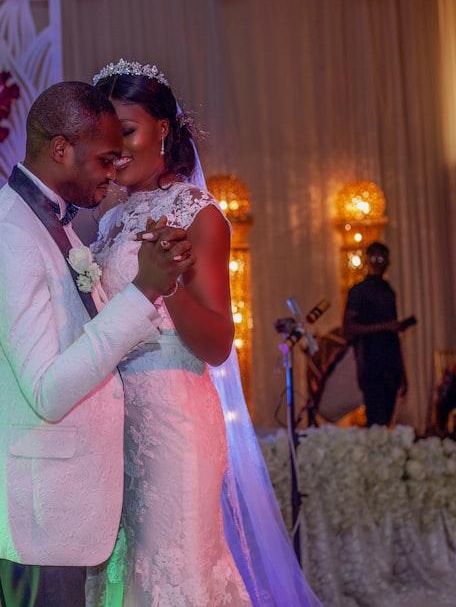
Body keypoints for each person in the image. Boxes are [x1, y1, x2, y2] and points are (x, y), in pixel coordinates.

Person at [0, 81, 193, 606]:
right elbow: (48, 390)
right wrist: (144, 290)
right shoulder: (10, 234)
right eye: (105, 158)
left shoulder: (54, 224)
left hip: (65, 496)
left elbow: (83, 331)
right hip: (38, 501)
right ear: (61, 149)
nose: (114, 170)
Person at [87, 59, 321, 606]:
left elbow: (219, 343)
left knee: (176, 577)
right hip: (114, 420)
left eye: (127, 130)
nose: (116, 148)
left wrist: (165, 285)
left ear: (162, 128)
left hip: (172, 421)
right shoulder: (108, 222)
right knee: (124, 578)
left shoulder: (199, 215)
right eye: (105, 137)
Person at [342, 242, 414, 427]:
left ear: (388, 261)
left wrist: (403, 373)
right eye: (373, 258)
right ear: (367, 260)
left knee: (388, 416)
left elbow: (394, 335)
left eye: (381, 258)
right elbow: (348, 327)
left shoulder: (388, 291)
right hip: (370, 361)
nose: (377, 262)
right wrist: (383, 327)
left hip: (390, 362)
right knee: (375, 416)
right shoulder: (359, 291)